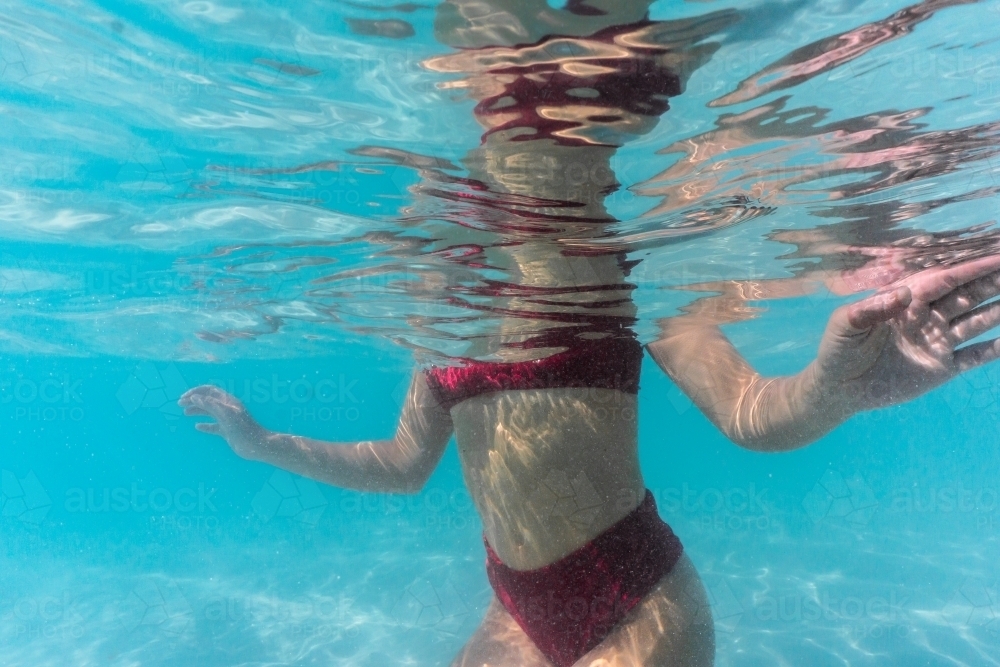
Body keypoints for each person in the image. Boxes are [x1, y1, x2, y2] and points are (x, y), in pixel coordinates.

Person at [180, 1, 1000, 664]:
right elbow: (401, 465)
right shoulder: (445, 298)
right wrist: (266, 443)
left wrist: (837, 392)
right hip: (516, 608)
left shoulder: (619, 275)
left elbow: (753, 411)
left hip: (636, 606)